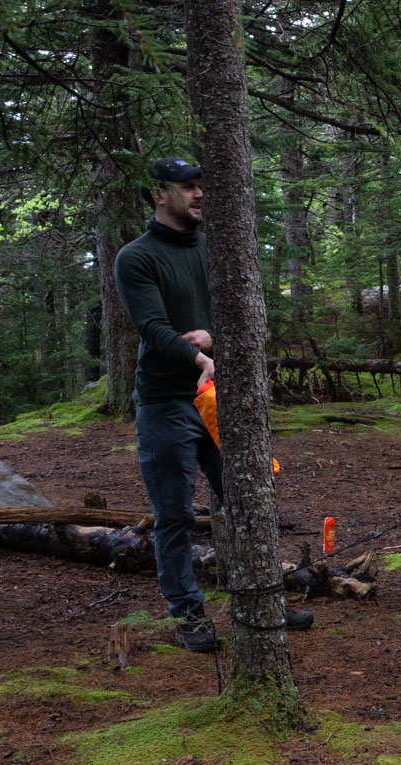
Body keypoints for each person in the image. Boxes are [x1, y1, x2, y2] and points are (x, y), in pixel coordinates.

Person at [116, 156, 312, 652]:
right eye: (187, 186)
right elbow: (154, 328)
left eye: (201, 184)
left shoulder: (215, 248)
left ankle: (262, 601)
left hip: (220, 397)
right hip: (166, 403)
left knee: (247, 497)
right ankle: (188, 615)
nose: (199, 193)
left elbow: (246, 315)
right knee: (175, 515)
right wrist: (199, 356)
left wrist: (214, 340)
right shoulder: (136, 257)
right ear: (159, 193)